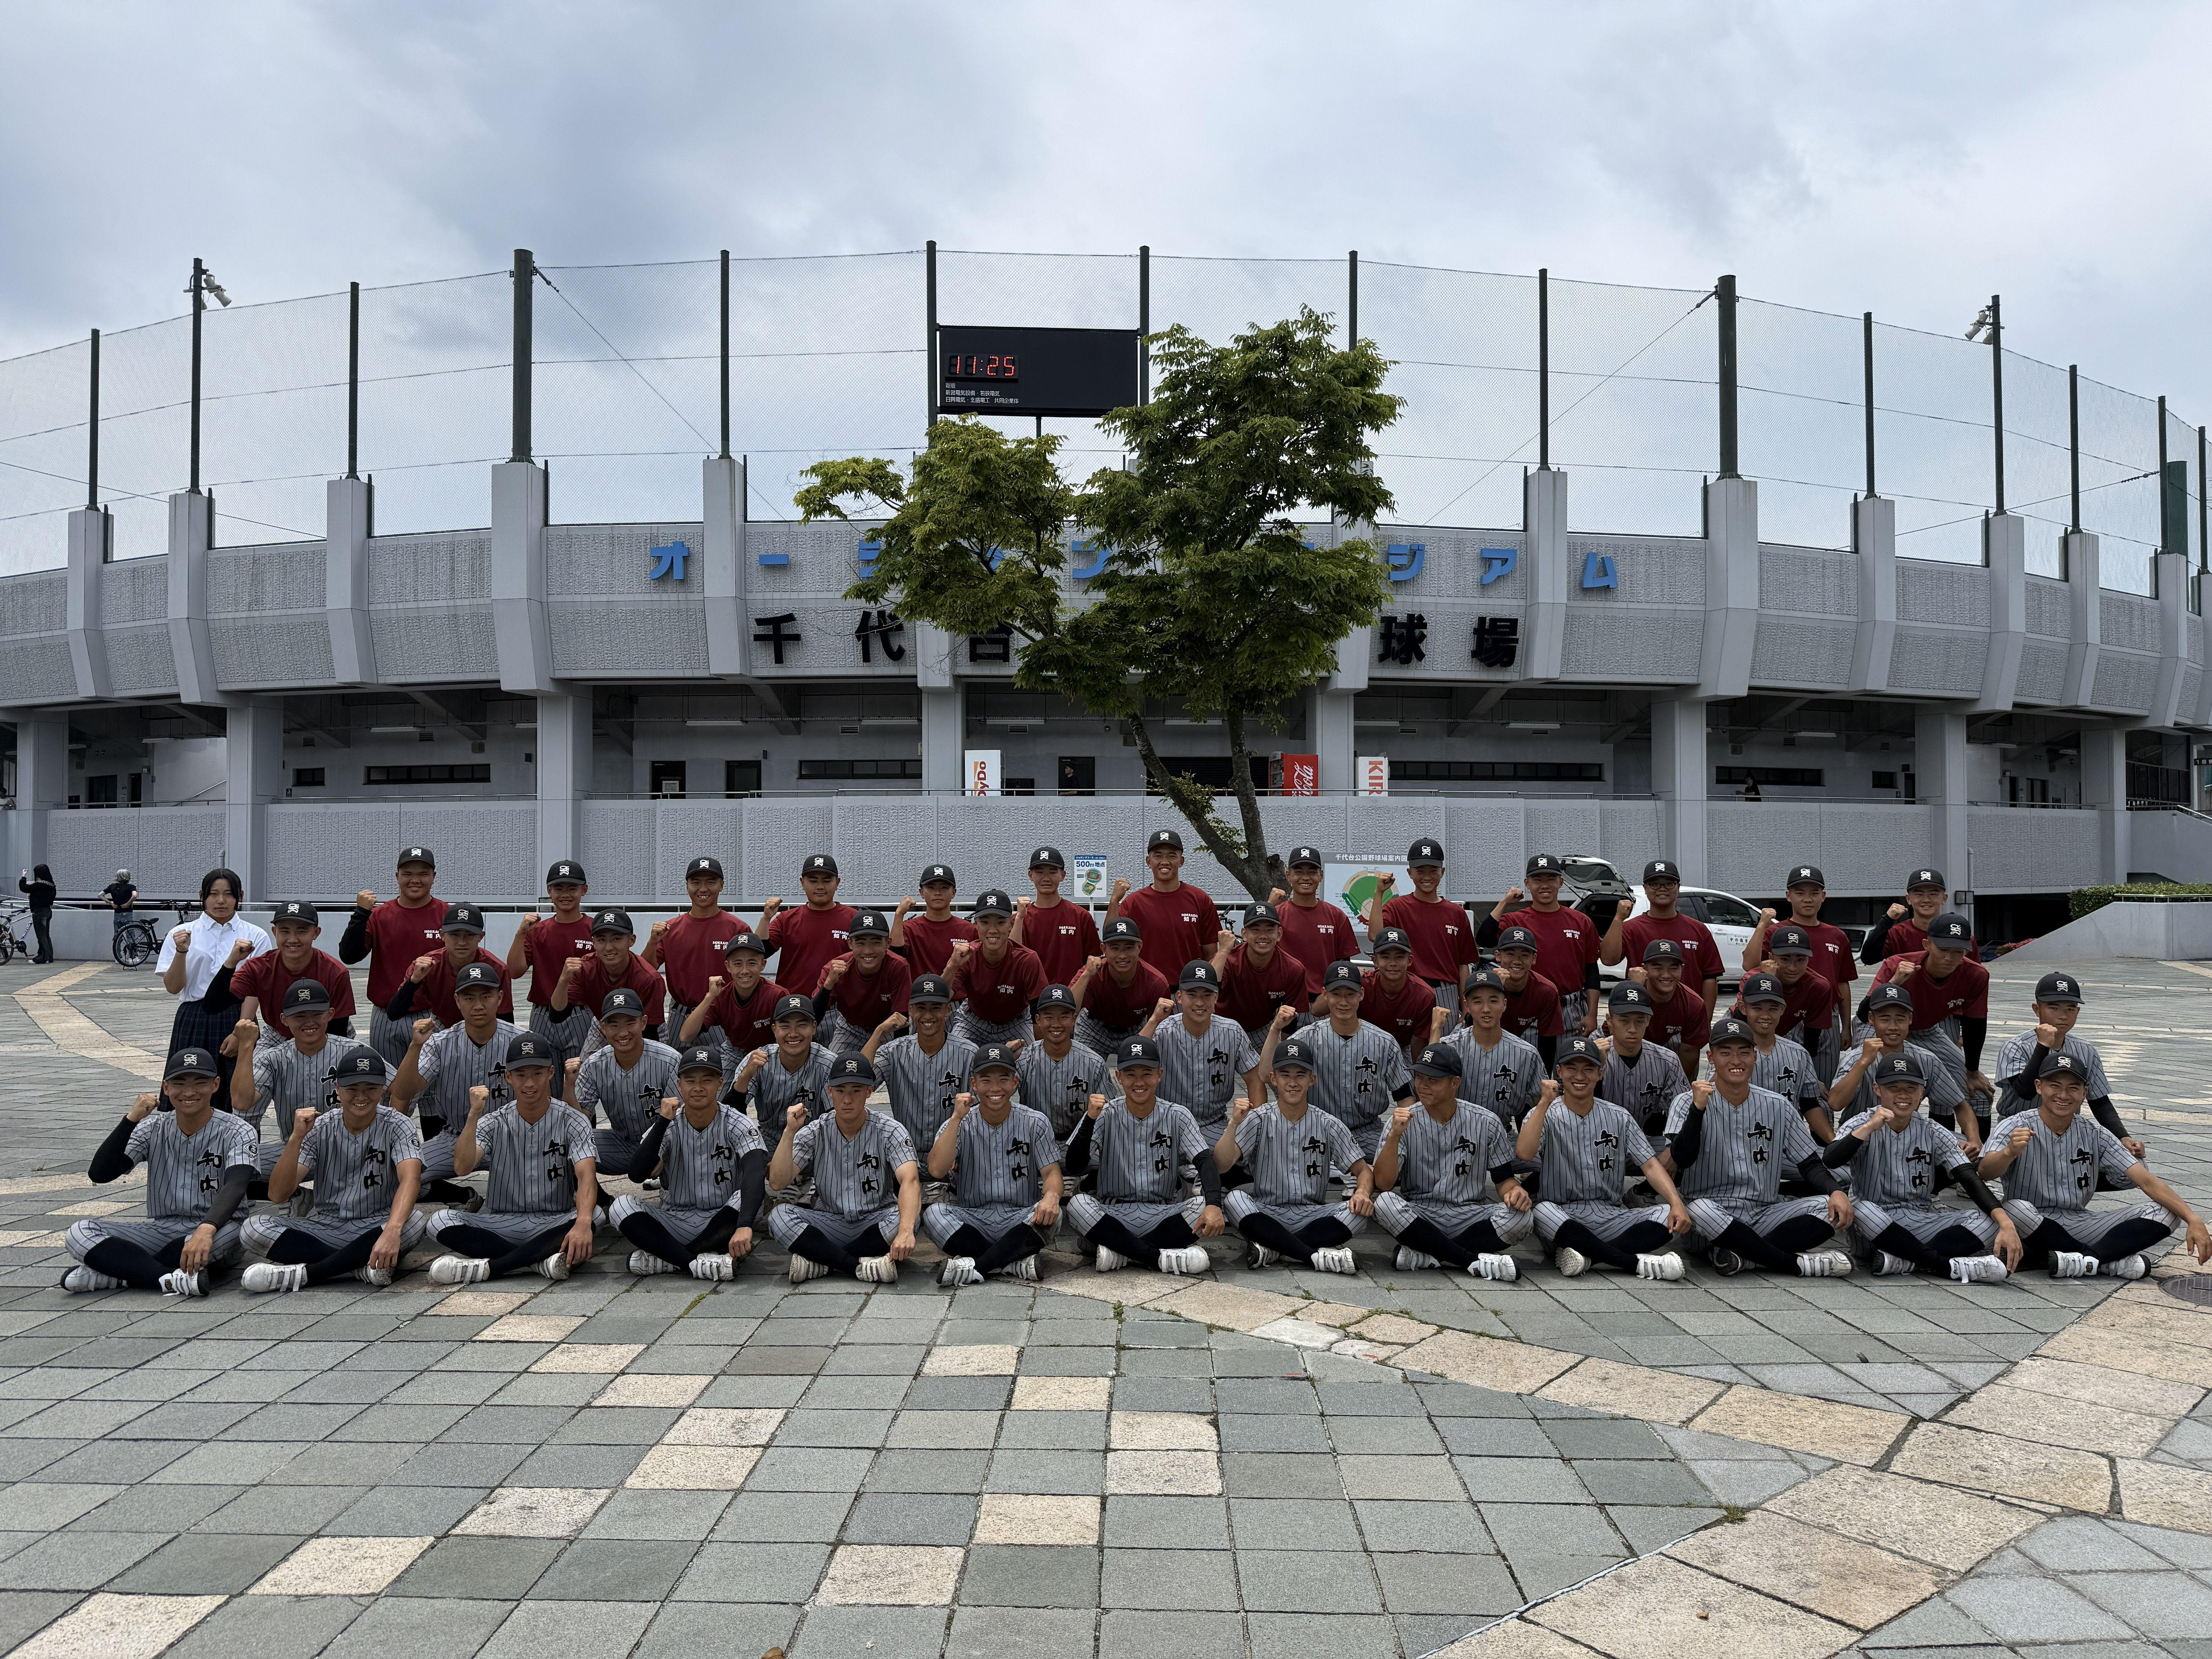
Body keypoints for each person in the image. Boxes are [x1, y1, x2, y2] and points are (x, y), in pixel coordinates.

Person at [1980, 1052, 2210, 1279]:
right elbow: (1985, 1172)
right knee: (2014, 1208)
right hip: (2031, 1220)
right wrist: (2009, 1153)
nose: (2063, 1095)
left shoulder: (2095, 1133)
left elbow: (2146, 1181)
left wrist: (2194, 1219)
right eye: (2055, 1086)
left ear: (2084, 1094)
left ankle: (2085, 1260)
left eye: (2073, 1088)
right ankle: (2104, 1262)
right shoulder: (2015, 1125)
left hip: (2080, 1221)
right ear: (2039, 1087)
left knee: (2168, 1211)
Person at [1662, 1018, 1855, 1277]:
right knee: (1697, 1209)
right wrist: (1697, 1111)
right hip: (1711, 1218)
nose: (1736, 1060)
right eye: (1726, 1052)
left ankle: (1744, 1257)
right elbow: (1682, 1158)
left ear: (1754, 1056)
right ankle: (1795, 1265)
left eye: (1744, 1052)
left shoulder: (1778, 1105)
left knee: (1830, 1206)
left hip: (1764, 1212)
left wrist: (1836, 1192)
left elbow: (1809, 1163)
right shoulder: (1687, 1102)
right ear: (1711, 1057)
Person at [60, 1048, 259, 1296]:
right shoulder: (154, 1127)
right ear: (166, 1088)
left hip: (220, 1228)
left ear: (216, 1085)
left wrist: (206, 1229)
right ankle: (167, 1279)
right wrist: (130, 1120)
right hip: (161, 1230)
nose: (189, 1092)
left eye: (200, 1082)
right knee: (79, 1232)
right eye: (179, 1083)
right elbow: (101, 1173)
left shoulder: (238, 1130)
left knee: (231, 1234)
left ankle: (121, 1273)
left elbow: (236, 1186)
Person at [1824, 1050, 2020, 1283]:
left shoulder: (1932, 1130)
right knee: (1863, 1210)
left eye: (1911, 1088)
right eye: (1894, 1087)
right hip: (1874, 1227)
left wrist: (2006, 1223)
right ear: (1878, 1090)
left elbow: (1969, 1177)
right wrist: (1867, 1130)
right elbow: (1830, 1159)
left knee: (1991, 1219)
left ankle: (1908, 1261)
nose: (1903, 1095)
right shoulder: (1860, 1123)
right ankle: (1947, 1266)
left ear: (1922, 1091)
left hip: (1920, 1220)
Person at [240, 1049, 428, 1291]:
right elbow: (278, 1194)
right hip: (326, 1225)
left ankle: (309, 1273)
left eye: (371, 1088)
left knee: (415, 1222)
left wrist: (392, 1230)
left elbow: (411, 1179)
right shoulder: (320, 1127)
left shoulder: (397, 1124)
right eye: (352, 1089)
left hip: (376, 1225)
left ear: (382, 1089)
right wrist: (296, 1138)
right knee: (252, 1228)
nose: (361, 1096)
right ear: (337, 1088)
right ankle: (357, 1268)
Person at [423, 1032, 599, 1284]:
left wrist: (582, 1222)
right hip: (501, 1222)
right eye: (521, 1075)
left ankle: (488, 1268)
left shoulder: (573, 1119)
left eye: (537, 1074)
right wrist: (473, 1115)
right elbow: (462, 1167)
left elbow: (586, 1176)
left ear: (551, 1073)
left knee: (593, 1218)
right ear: (509, 1077)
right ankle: (539, 1262)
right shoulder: (493, 1121)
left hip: (553, 1221)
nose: (530, 1083)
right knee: (439, 1221)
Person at [1519, 1034, 1692, 1279]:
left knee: (1669, 1215)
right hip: (1565, 1217)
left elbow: (1651, 1165)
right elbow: (1525, 1153)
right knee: (1542, 1211)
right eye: (1572, 1068)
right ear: (1559, 1072)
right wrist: (1544, 1102)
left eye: (1588, 1069)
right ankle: (1631, 1263)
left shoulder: (1619, 1116)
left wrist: (1676, 1203)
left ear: (1600, 1073)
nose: (1580, 1076)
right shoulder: (1546, 1113)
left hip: (1611, 1215)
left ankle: (1589, 1258)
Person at [1061, 1035, 1224, 1275]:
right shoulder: (1105, 1113)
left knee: (1203, 1206)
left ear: (1159, 1074)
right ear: (1119, 1077)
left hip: (1163, 1213)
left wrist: (1214, 1205)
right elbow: (1075, 1166)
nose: (1139, 1082)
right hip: (1113, 1213)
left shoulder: (1178, 1115)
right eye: (1131, 1074)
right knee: (1078, 1205)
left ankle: (1120, 1251)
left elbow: (1204, 1161)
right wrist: (1089, 1120)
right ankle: (1157, 1257)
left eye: (1146, 1073)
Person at [1371, 1042, 1530, 1280]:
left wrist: (1516, 1192)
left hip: (1471, 1215)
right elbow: (1384, 1183)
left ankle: (1428, 1256)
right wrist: (1394, 1135)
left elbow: (1503, 1180)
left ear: (1455, 1083)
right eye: (1419, 1077)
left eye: (1433, 1080)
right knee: (1385, 1204)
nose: (1422, 1086)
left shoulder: (1486, 1121)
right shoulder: (1402, 1121)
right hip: (1422, 1214)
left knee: (1523, 1215)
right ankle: (1471, 1261)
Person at [1215, 1037, 1372, 1274]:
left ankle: (1273, 1248)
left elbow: (1363, 1171)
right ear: (1274, 1079)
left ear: (1312, 1080)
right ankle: (1313, 1257)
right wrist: (1233, 1125)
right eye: (1285, 1074)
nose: (1293, 1082)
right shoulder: (1258, 1118)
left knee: (1361, 1213)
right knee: (1234, 1200)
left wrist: (1362, 1192)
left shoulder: (1329, 1124)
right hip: (1267, 1211)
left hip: (1313, 1214)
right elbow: (1221, 1165)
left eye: (1300, 1074)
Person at [611, 1044, 768, 1282]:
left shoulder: (737, 1122)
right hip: (674, 1219)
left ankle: (669, 1260)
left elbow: (756, 1171)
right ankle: (696, 1263)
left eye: (707, 1080)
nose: (698, 1088)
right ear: (679, 1085)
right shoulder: (668, 1124)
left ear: (720, 1084)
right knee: (620, 1206)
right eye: (690, 1080)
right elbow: (637, 1173)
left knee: (753, 1195)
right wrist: (663, 1121)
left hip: (723, 1220)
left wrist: (745, 1225)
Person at [766, 1052, 920, 1284]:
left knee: (911, 1218)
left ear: (870, 1091)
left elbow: (910, 1181)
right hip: (829, 1221)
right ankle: (859, 1266)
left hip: (876, 1220)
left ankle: (822, 1262)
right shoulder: (816, 1130)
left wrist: (907, 1231)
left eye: (856, 1090)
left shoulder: (890, 1129)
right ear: (830, 1091)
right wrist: (789, 1132)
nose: (847, 1099)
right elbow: (778, 1182)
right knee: (778, 1217)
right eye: (840, 1091)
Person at [923, 1044, 1064, 1286]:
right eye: (986, 1080)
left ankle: (977, 1267)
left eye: (1003, 1079)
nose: (995, 1088)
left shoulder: (1035, 1122)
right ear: (974, 1084)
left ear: (1015, 1083)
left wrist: (1051, 1196)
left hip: (1020, 1217)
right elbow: (936, 1170)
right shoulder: (960, 1123)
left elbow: (1052, 1173)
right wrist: (957, 1118)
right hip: (973, 1218)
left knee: (1055, 1214)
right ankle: (1014, 1263)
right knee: (934, 1214)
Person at [389, 963, 524, 1188]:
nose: (479, 1005)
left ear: (500, 998)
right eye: (469, 998)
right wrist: (415, 1047)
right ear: (457, 1001)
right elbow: (403, 1092)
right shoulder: (441, 1043)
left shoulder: (521, 1041)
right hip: (455, 1136)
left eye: (486, 996)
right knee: (395, 1176)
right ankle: (462, 1197)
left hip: (513, 1138)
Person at [1996, 971, 2142, 1164]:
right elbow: (2025, 1091)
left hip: (2067, 1130)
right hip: (2019, 1131)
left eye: (2071, 1009)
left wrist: (2123, 1136)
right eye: (2054, 1008)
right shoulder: (2016, 1046)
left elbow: (2099, 1101)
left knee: (2134, 1164)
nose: (2063, 1016)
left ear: (2078, 1012)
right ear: (2037, 1010)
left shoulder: (2086, 1050)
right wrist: (2043, 1046)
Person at [230, 980, 368, 1178]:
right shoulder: (273, 1058)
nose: (309, 1022)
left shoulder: (354, 1052)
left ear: (330, 1014)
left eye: (316, 1014)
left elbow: (400, 1088)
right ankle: (299, 1197)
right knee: (233, 1160)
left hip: (354, 1149)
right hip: (296, 1150)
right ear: (285, 1020)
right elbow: (242, 1103)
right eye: (300, 1016)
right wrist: (246, 1047)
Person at [1867, 912, 1992, 1128]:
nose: (1950, 958)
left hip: (1926, 1030)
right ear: (1927, 944)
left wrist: (1972, 1071)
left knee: (1980, 1096)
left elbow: (1976, 1024)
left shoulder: (1976, 974)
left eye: (1959, 951)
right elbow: (1864, 1013)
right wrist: (1895, 982)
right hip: (1882, 1029)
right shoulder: (1899, 965)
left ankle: (1978, 1158)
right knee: (1877, 1093)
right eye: (1943, 949)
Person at [1479, 853, 1623, 1036]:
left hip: (1570, 1008)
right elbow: (1484, 940)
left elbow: (1591, 970)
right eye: (1538, 879)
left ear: (1561, 882)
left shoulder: (1581, 921)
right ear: (1527, 884)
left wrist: (1592, 1014)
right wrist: (1505, 902)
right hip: (1528, 1005)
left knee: (1568, 1063)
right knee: (1525, 1061)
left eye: (1551, 879)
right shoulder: (1515, 920)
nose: (1545, 885)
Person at [156, 867, 270, 1096]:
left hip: (238, 1015)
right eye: (213, 894)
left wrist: (241, 1031)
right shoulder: (181, 933)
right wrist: (181, 952)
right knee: (190, 1086)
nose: (221, 901)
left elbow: (256, 990)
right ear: (202, 896)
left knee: (235, 1093)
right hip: (193, 1017)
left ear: (240, 896)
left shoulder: (256, 935)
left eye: (228, 894)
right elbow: (173, 987)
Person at [1743, 865, 1855, 1082]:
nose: (1807, 899)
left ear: (1823, 896)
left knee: (1821, 1082)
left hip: (1825, 1015)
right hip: (1784, 1010)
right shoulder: (1776, 932)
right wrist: (1762, 926)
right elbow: (1750, 965)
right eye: (1800, 893)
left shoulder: (1837, 936)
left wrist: (1845, 1027)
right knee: (1780, 1078)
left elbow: (1842, 983)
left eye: (1814, 893)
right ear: (1788, 896)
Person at [340, 846, 448, 1064]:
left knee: (431, 1088)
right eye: (408, 874)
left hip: (431, 1014)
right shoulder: (380, 916)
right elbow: (350, 956)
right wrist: (361, 913)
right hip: (385, 1015)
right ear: (397, 876)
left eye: (423, 874)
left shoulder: (447, 915)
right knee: (386, 1086)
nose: (415, 880)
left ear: (434, 877)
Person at [862, 974, 977, 1173]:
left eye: (936, 1008)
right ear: (912, 1010)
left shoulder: (969, 1053)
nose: (928, 1016)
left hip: (953, 1157)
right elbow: (859, 1079)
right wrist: (879, 1032)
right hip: (903, 1157)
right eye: (921, 1008)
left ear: (948, 1010)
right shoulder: (894, 1051)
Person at [1141, 961, 1264, 1146]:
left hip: (1215, 1124)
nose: (1200, 1003)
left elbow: (1255, 1079)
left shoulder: (1232, 1031)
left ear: (1216, 998)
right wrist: (1154, 1021)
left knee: (1244, 1155)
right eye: (1192, 995)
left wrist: (1257, 1127)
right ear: (1179, 997)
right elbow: (1134, 1057)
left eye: (1207, 995)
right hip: (1167, 1123)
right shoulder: (1162, 1030)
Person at [1303, 960, 1416, 1159]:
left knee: (1401, 1161)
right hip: (1317, 1130)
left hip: (1366, 1131)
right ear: (1325, 995)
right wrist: (1276, 1030)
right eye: (1337, 994)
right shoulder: (1306, 1038)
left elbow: (1404, 1097)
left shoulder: (1384, 1042)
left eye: (1350, 995)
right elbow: (1269, 1076)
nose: (1343, 1002)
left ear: (1361, 995)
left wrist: (1404, 1136)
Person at [568, 987, 682, 1179]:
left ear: (643, 1023)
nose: (623, 1033)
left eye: (630, 1023)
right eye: (614, 1025)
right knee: (566, 1141)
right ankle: (598, 1199)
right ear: (603, 1028)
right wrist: (569, 1087)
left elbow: (681, 1119)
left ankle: (674, 1188)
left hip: (667, 1145)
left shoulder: (669, 1060)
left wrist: (660, 1151)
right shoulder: (595, 1064)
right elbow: (579, 1121)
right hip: (622, 1144)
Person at [1365, 839, 1480, 1027]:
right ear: (1410, 873)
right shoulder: (1397, 907)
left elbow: (1462, 965)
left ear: (1442, 872)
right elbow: (1376, 936)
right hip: (1408, 989)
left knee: (1443, 1051)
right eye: (1420, 871)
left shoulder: (1457, 913)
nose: (1427, 877)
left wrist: (1466, 1004)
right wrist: (1379, 893)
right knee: (1407, 1049)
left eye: (1433, 871)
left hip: (1445, 992)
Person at [1826, 984, 1970, 1130]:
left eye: (1900, 1019)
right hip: (1860, 1136)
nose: (1893, 1027)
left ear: (1910, 1019)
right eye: (1885, 1019)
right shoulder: (1856, 1058)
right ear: (1872, 1019)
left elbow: (1960, 1104)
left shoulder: (1927, 1059)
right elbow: (1836, 1104)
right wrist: (1863, 1063)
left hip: (1907, 1137)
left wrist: (1974, 1139)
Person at [642, 857, 743, 1056]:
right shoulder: (671, 929)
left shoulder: (737, 928)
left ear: (721, 885)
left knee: (724, 1073)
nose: (703, 889)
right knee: (679, 1074)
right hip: (681, 1013)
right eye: (696, 883)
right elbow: (646, 969)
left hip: (722, 1014)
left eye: (711, 882)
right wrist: (653, 942)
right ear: (687, 886)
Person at [221, 900, 356, 1041]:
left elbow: (338, 1030)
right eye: (285, 931)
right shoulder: (259, 967)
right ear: (275, 932)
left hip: (326, 1033)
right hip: (278, 1032)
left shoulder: (335, 972)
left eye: (302, 931)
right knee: (259, 1063)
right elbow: (216, 1005)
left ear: (316, 933)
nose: (293, 940)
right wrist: (231, 962)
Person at [508, 860, 598, 1063]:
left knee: (578, 1079)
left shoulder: (595, 930)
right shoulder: (537, 930)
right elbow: (514, 971)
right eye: (559, 888)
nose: (565, 894)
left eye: (572, 888)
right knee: (543, 1077)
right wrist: (520, 934)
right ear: (549, 891)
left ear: (584, 890)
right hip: (542, 1013)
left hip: (581, 1013)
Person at [1107, 830, 1221, 988]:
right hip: (1146, 990)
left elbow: (1211, 953)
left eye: (1172, 856)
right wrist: (1114, 901)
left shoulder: (1200, 900)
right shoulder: (1134, 903)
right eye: (1158, 856)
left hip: (1188, 992)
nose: (1165, 861)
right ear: (1149, 861)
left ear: (1181, 861)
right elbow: (1111, 939)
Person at [553, 909, 669, 1060]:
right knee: (585, 1070)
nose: (609, 947)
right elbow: (558, 1015)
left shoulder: (649, 978)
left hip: (642, 1027)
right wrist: (563, 981)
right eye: (602, 940)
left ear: (631, 940)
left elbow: (650, 1031)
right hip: (604, 1023)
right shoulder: (586, 968)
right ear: (593, 942)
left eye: (617, 939)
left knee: (646, 1072)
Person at [1608, 860, 1722, 1012]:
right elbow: (1609, 960)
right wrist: (1618, 919)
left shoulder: (1699, 930)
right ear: (1645, 888)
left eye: (1669, 884)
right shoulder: (1631, 928)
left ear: (1678, 888)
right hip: (1642, 1015)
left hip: (1688, 1015)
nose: (1662, 889)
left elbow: (1710, 978)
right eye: (1655, 884)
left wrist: (1705, 1019)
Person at [381, 903, 514, 1031]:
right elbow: (394, 1013)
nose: (462, 942)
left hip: (485, 1028)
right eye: (455, 934)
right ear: (442, 935)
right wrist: (414, 981)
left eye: (470, 935)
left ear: (481, 936)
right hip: (442, 1025)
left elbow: (506, 1018)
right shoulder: (428, 965)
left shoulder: (497, 968)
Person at [1442, 967, 1544, 1128]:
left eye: (1493, 1001)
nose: (1486, 1009)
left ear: (1504, 1005)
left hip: (1503, 1134)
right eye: (1477, 1002)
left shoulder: (1526, 1054)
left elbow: (1542, 1103)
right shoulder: (1449, 1047)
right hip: (1454, 1133)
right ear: (1466, 1005)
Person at [682, 931, 790, 1082]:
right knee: (722, 1100)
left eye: (752, 963)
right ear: (728, 966)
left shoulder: (777, 995)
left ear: (763, 964)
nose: (744, 971)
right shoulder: (721, 995)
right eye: (738, 964)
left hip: (772, 1053)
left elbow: (790, 1035)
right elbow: (686, 1036)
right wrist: (710, 997)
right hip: (735, 1052)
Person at [1735, 973, 1831, 1139]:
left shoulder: (1799, 1054)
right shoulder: (1731, 1052)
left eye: (1773, 1008)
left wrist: (1833, 1141)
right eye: (1757, 1008)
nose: (1765, 1016)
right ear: (1744, 1008)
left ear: (1783, 1009)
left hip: (1787, 1141)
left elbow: (1809, 1105)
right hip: (1739, 1137)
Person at [730, 995, 839, 1138]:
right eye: (785, 1026)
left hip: (815, 1140)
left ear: (814, 1028)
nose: (793, 1034)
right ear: (775, 1030)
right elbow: (730, 1115)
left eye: (802, 1025)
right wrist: (746, 1076)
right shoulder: (757, 1061)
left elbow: (837, 1118)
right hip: (768, 1140)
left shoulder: (829, 1063)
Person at [1016, 984, 1116, 1141]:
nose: (1056, 1024)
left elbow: (1109, 1113)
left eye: (1064, 1017)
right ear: (1038, 1020)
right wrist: (1006, 1060)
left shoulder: (1094, 1063)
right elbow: (1001, 1096)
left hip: (1082, 1143)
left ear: (1074, 1019)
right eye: (1049, 1017)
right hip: (1034, 1142)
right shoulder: (1024, 1061)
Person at [947, 891, 1046, 1045]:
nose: (993, 930)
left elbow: (1039, 1010)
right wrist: (953, 966)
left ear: (1011, 925)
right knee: (955, 1057)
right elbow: (942, 996)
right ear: (976, 924)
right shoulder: (967, 954)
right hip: (973, 1022)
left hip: (1016, 1023)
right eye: (985, 922)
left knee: (1030, 1062)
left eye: (1001, 922)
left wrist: (1039, 1052)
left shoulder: (1027, 959)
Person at [814, 910, 913, 1055]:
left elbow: (901, 1019)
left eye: (876, 943)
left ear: (888, 943)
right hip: (850, 1027)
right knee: (837, 1068)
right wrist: (829, 984)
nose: (868, 951)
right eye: (860, 943)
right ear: (850, 944)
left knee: (894, 1065)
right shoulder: (835, 968)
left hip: (888, 1026)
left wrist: (900, 1056)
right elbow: (814, 1016)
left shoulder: (898, 966)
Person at [759, 853, 857, 997]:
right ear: (802, 883)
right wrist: (766, 918)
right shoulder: (787, 919)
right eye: (813, 881)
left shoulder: (854, 918)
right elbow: (760, 952)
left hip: (839, 1005)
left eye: (827, 881)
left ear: (837, 883)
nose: (820, 887)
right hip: (793, 1005)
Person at [1733, 926, 1832, 1068]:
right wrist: (1769, 980)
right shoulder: (1752, 979)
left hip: (1785, 1030)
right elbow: (1741, 1018)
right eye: (1785, 959)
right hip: (1743, 1027)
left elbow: (1812, 1036)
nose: (1793, 968)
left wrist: (1808, 1072)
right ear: (1771, 958)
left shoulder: (1818, 986)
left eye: (1800, 960)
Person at [1072, 917, 1171, 1056]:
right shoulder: (1091, 973)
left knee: (1145, 1071)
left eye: (1129, 948)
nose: (1122, 955)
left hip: (1136, 1028)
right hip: (1094, 1027)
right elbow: (1069, 1011)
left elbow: (1163, 1029)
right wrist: (1087, 975)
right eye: (1115, 948)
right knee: (1083, 1071)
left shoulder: (1156, 982)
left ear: (1140, 947)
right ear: (1104, 949)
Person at [1598, 982, 1688, 1135]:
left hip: (1648, 1138)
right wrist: (1595, 1069)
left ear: (1648, 1021)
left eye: (1639, 1021)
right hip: (1598, 1138)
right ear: (1610, 1020)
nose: (1632, 1029)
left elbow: (1684, 1113)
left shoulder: (1668, 1061)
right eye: (1624, 1021)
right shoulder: (1592, 1054)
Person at [1269, 845, 1356, 1002]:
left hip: (1325, 1002)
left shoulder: (1337, 916)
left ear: (1321, 875)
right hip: (1285, 1003)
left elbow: (1343, 965)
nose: (1306, 877)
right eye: (1299, 872)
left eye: (1312, 872)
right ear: (1288, 876)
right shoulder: (1276, 916)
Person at [1214, 903, 1308, 1042]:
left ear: (1279, 934)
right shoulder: (1229, 959)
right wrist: (1223, 951)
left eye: (1270, 930)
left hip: (1262, 1030)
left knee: (1271, 1063)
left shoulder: (1293, 968)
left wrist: (1284, 1052)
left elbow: (1291, 1018)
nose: (1263, 936)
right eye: (1256, 930)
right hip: (1223, 1027)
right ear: (1245, 934)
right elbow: (1211, 986)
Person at [1012, 846, 1102, 989]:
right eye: (1040, 872)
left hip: (1071, 999)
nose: (1046, 878)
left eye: (1053, 872)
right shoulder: (1021, 918)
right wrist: (1019, 919)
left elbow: (1095, 962)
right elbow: (1012, 959)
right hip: (1033, 1001)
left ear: (1063, 876)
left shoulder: (1080, 916)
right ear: (1030, 875)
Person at [1861, 867, 1980, 965]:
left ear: (1944, 898)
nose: (1926, 900)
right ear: (1909, 899)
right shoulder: (1897, 934)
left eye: (1933, 894)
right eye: (1919, 894)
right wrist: (1887, 920)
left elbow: (1976, 976)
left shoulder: (1960, 936)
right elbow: (1869, 959)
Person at [1489, 926, 1565, 1065]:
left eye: (1524, 955)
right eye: (1510, 954)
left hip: (1523, 1043)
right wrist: (1494, 989)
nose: (1517, 961)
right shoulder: (1485, 985)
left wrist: (1543, 1080)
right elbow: (1473, 1026)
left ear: (1534, 958)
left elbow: (1547, 1043)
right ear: (1498, 956)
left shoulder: (1546, 991)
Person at [1636, 939, 1710, 1080]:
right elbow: (1617, 1036)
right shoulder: (1632, 992)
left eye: (1673, 968)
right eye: (1658, 968)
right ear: (1645, 969)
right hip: (1635, 1050)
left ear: (1682, 969)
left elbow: (1689, 1052)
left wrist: (1679, 1088)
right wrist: (1635, 987)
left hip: (1674, 1054)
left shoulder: (1694, 1004)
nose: (1666, 975)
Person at [890, 863, 977, 978]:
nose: (938, 892)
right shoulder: (909, 929)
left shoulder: (970, 930)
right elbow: (895, 956)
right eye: (931, 887)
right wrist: (899, 914)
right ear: (922, 893)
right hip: (919, 995)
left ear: (954, 893)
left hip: (957, 995)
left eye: (944, 887)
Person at [1359, 928, 1437, 1054]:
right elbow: (1320, 1010)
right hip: (1363, 1046)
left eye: (1400, 957)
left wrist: (1416, 1074)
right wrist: (1349, 977)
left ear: (1410, 960)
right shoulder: (1362, 985)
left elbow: (1418, 1042)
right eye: (1385, 957)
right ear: (1375, 961)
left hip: (1403, 1049)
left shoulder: (1424, 995)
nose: (1393, 963)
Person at [16, 863, 55, 964]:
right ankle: (49, 957)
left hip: (39, 912)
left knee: (41, 936)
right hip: (48, 911)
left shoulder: (39, 885)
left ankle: (42, 957)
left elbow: (24, 888)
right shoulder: (52, 886)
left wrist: (23, 877)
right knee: (46, 935)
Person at [103, 869, 137, 941]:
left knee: (118, 937)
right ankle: (133, 952)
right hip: (128, 914)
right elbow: (135, 896)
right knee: (130, 936)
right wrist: (128, 904)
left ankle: (117, 952)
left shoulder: (112, 886)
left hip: (117, 914)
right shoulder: (131, 887)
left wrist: (110, 903)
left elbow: (100, 895)